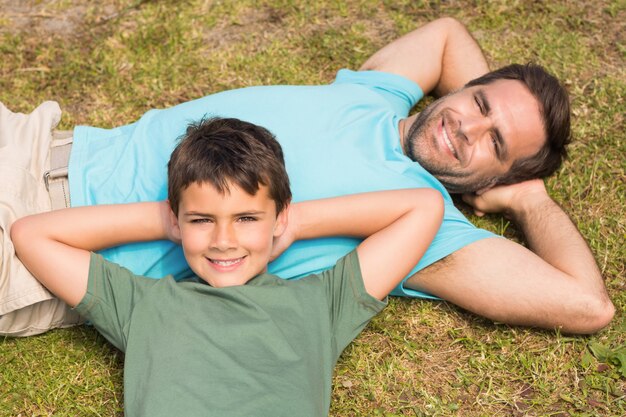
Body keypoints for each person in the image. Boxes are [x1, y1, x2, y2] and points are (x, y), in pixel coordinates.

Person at [0, 17, 613, 337]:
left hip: (46, 249)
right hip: (40, 141)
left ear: (498, 174)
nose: (465, 128)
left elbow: (588, 306)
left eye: (495, 144)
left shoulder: (430, 233)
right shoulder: (378, 96)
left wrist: (528, 198)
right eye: (478, 104)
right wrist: (487, 113)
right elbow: (448, 34)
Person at [10, 117, 444, 416]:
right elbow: (31, 236)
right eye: (203, 221)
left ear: (278, 216)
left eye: (247, 219)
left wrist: (291, 223)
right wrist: (169, 220)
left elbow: (422, 207)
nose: (223, 241)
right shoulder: (142, 303)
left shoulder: (322, 302)